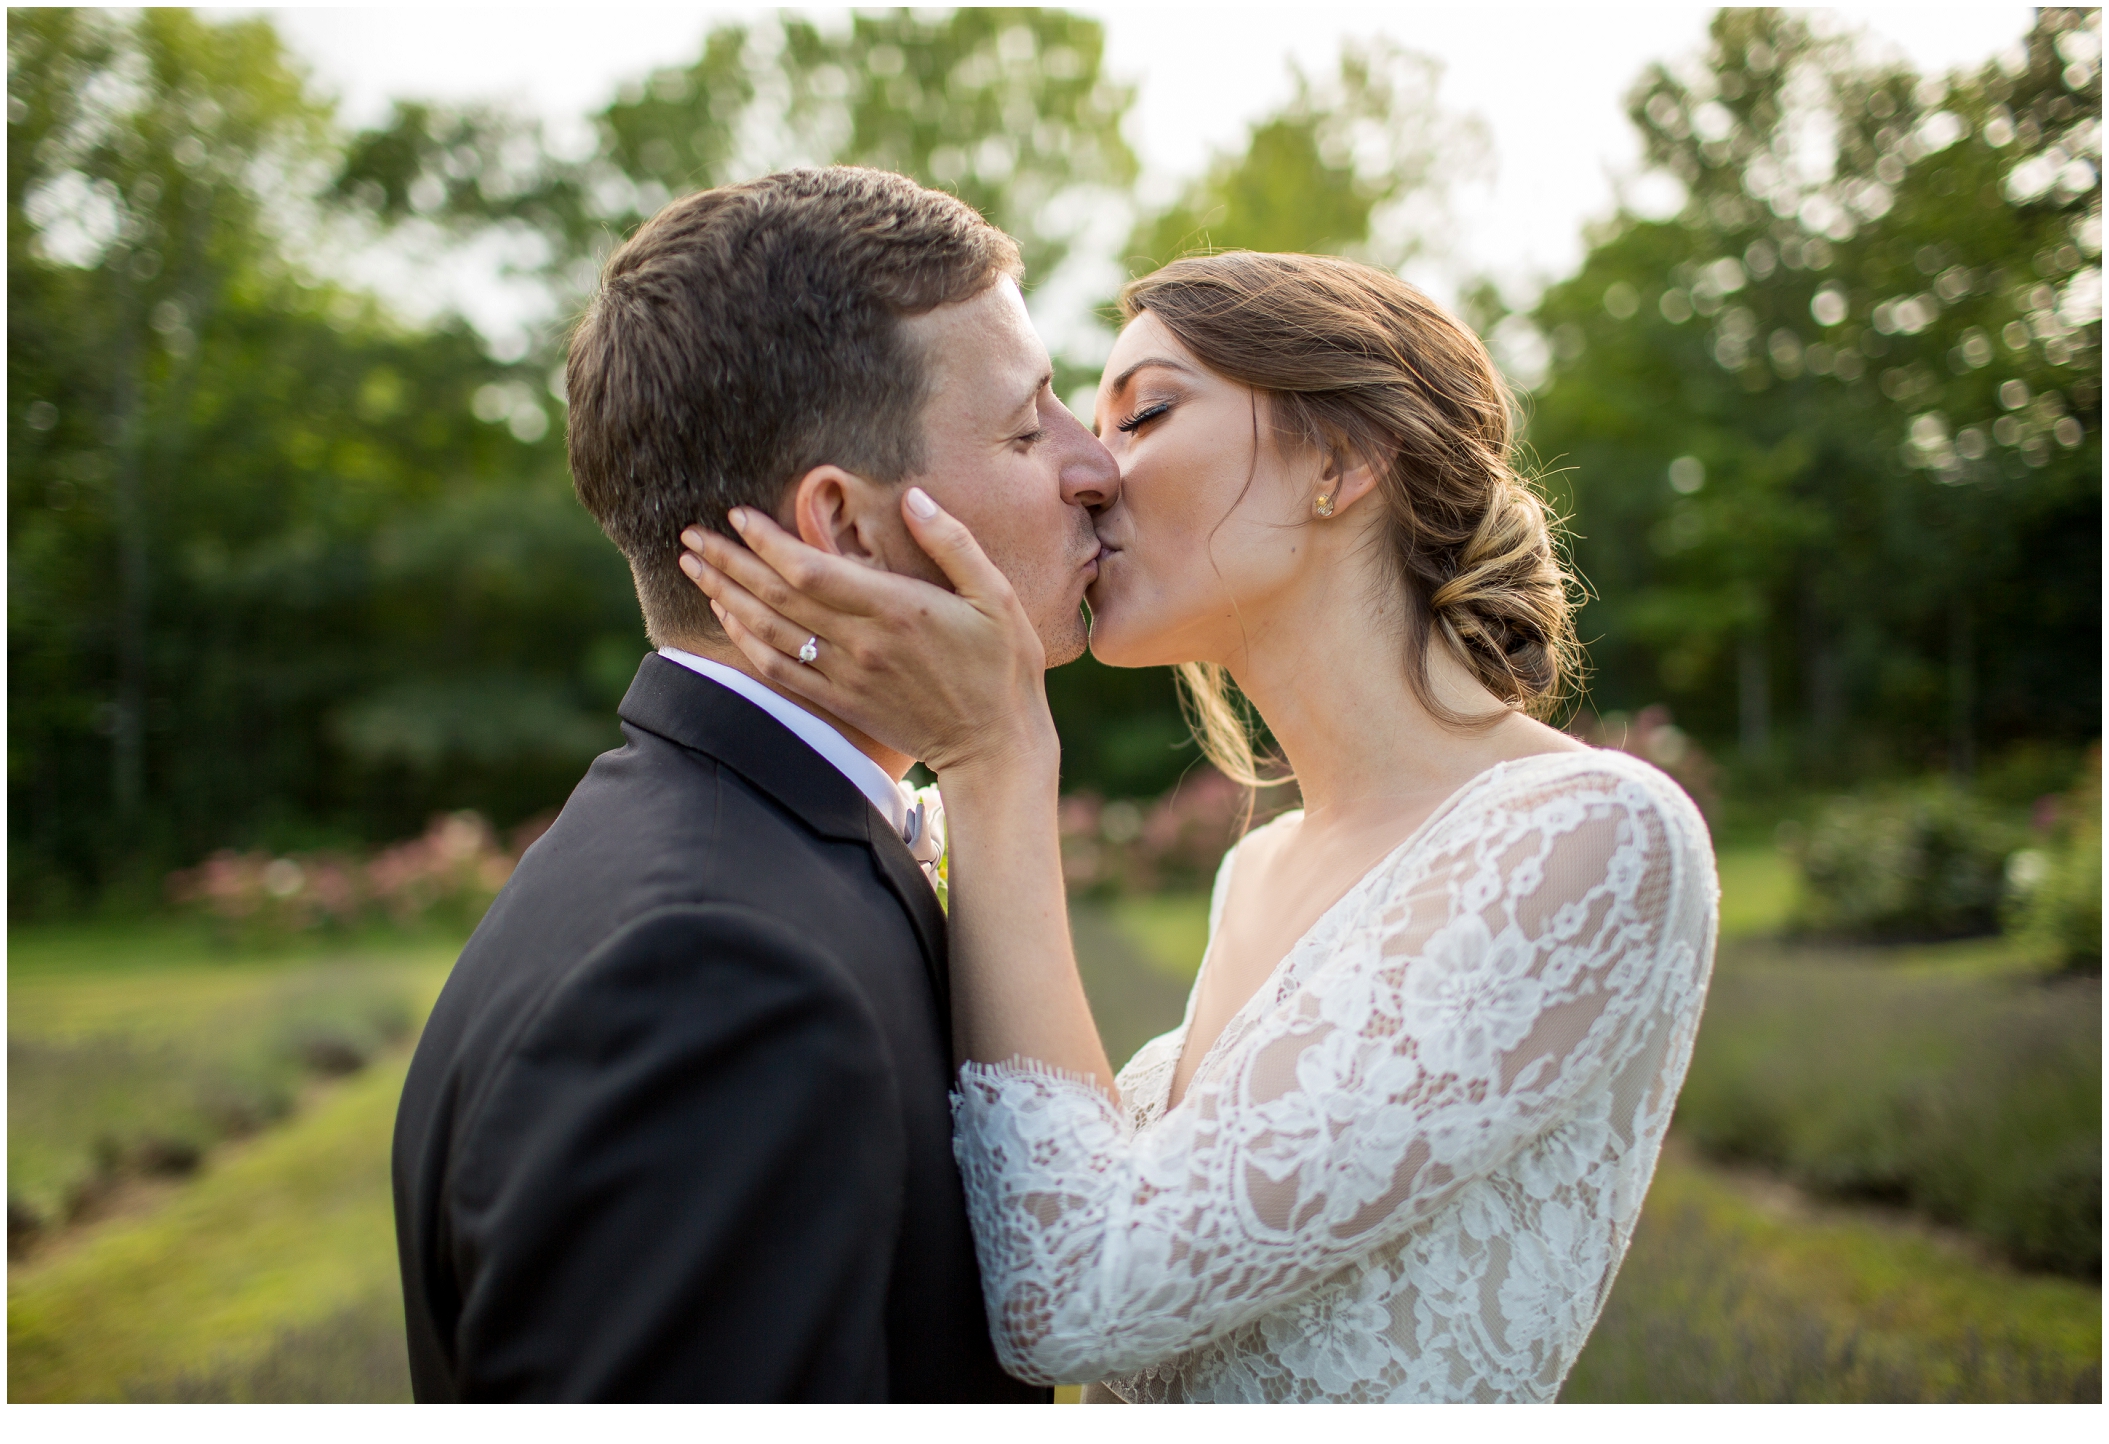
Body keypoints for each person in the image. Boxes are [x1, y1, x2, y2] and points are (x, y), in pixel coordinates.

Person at [681, 250, 1721, 1403]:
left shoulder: (1594, 837)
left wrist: (996, 758)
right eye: (1079, 427)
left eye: (1147, 414)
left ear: (1341, 459)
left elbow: (1076, 1299)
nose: (1085, 474)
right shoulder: (1259, 869)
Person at [391, 166, 1116, 1402]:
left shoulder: (730, 858)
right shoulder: (708, 976)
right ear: (843, 527)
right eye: (1025, 424)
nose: (1093, 464)